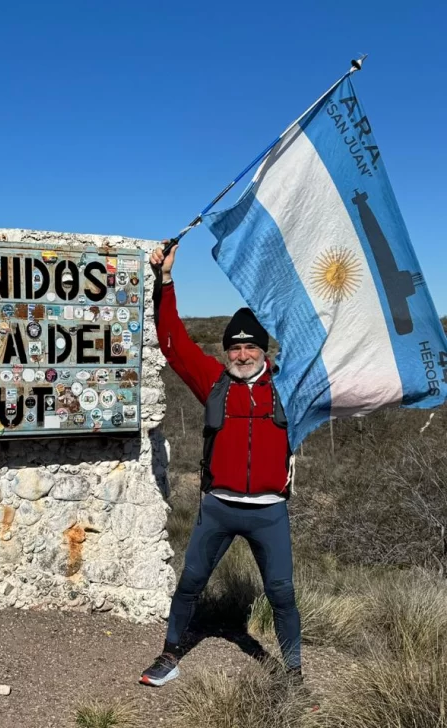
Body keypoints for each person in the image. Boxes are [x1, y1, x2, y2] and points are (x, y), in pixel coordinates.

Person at [139, 244, 302, 687]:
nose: (242, 354)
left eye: (250, 346)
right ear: (226, 350)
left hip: (270, 511)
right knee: (190, 582)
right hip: (218, 507)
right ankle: (169, 655)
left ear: (263, 351)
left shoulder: (288, 388)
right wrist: (166, 281)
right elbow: (173, 342)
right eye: (235, 346)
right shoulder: (214, 382)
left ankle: (293, 673)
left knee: (282, 594)